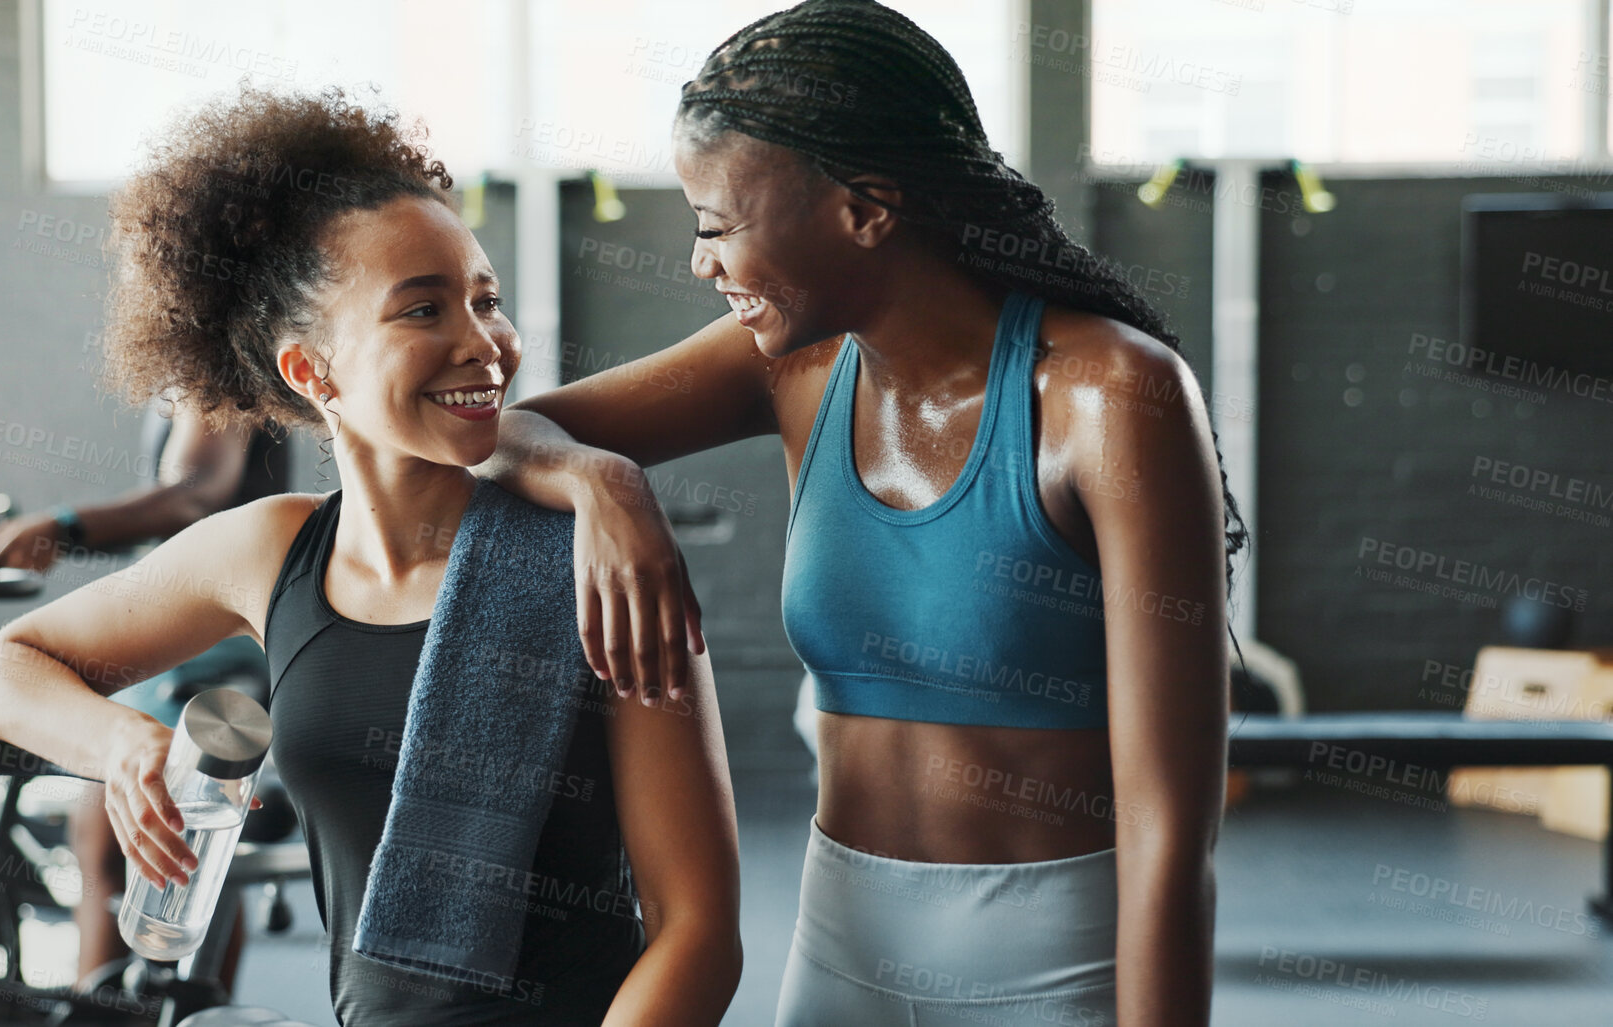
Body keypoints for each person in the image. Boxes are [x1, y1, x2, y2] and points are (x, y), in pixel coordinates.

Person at [475, 1, 1247, 1024]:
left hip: (1058, 964)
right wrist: (605, 483)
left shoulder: (1111, 394)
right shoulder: (792, 363)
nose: (703, 263)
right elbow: (503, 435)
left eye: (718, 227)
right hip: (842, 947)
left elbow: (1168, 829)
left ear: (867, 208)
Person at [0, 85, 741, 1026]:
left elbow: (695, 927)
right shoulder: (270, 549)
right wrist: (123, 745)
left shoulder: (601, 561)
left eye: (484, 300)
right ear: (310, 369)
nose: (482, 342)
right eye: (422, 311)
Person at [0, 400, 290, 989]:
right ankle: (124, 1002)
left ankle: (157, 1006)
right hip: (202, 632)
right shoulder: (200, 369)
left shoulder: (216, 374)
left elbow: (195, 496)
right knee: (117, 843)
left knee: (144, 839)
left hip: (210, 645)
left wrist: (64, 526)